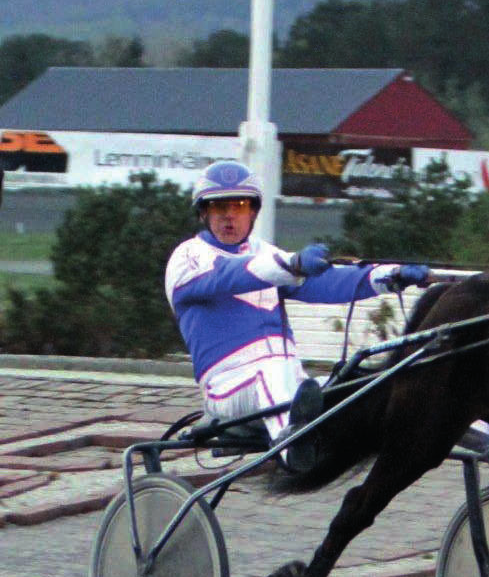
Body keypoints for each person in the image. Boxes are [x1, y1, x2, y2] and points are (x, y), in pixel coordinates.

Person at [164, 159, 430, 471]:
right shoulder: (188, 258)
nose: (228, 215)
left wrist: (390, 275)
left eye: (238, 205)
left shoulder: (266, 254)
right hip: (227, 390)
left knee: (356, 383)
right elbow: (231, 274)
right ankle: (292, 452)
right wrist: (292, 264)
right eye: (217, 206)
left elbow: (328, 281)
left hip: (289, 380)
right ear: (204, 212)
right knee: (274, 370)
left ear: (252, 211)